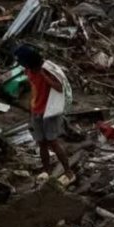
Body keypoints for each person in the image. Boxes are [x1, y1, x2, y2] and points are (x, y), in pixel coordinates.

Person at [14, 45, 73, 178]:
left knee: (53, 141)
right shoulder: (28, 71)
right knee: (41, 143)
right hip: (36, 110)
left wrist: (44, 76)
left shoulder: (47, 70)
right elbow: (34, 90)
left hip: (49, 111)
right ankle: (47, 171)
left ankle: (68, 170)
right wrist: (31, 111)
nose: (22, 65)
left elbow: (59, 88)